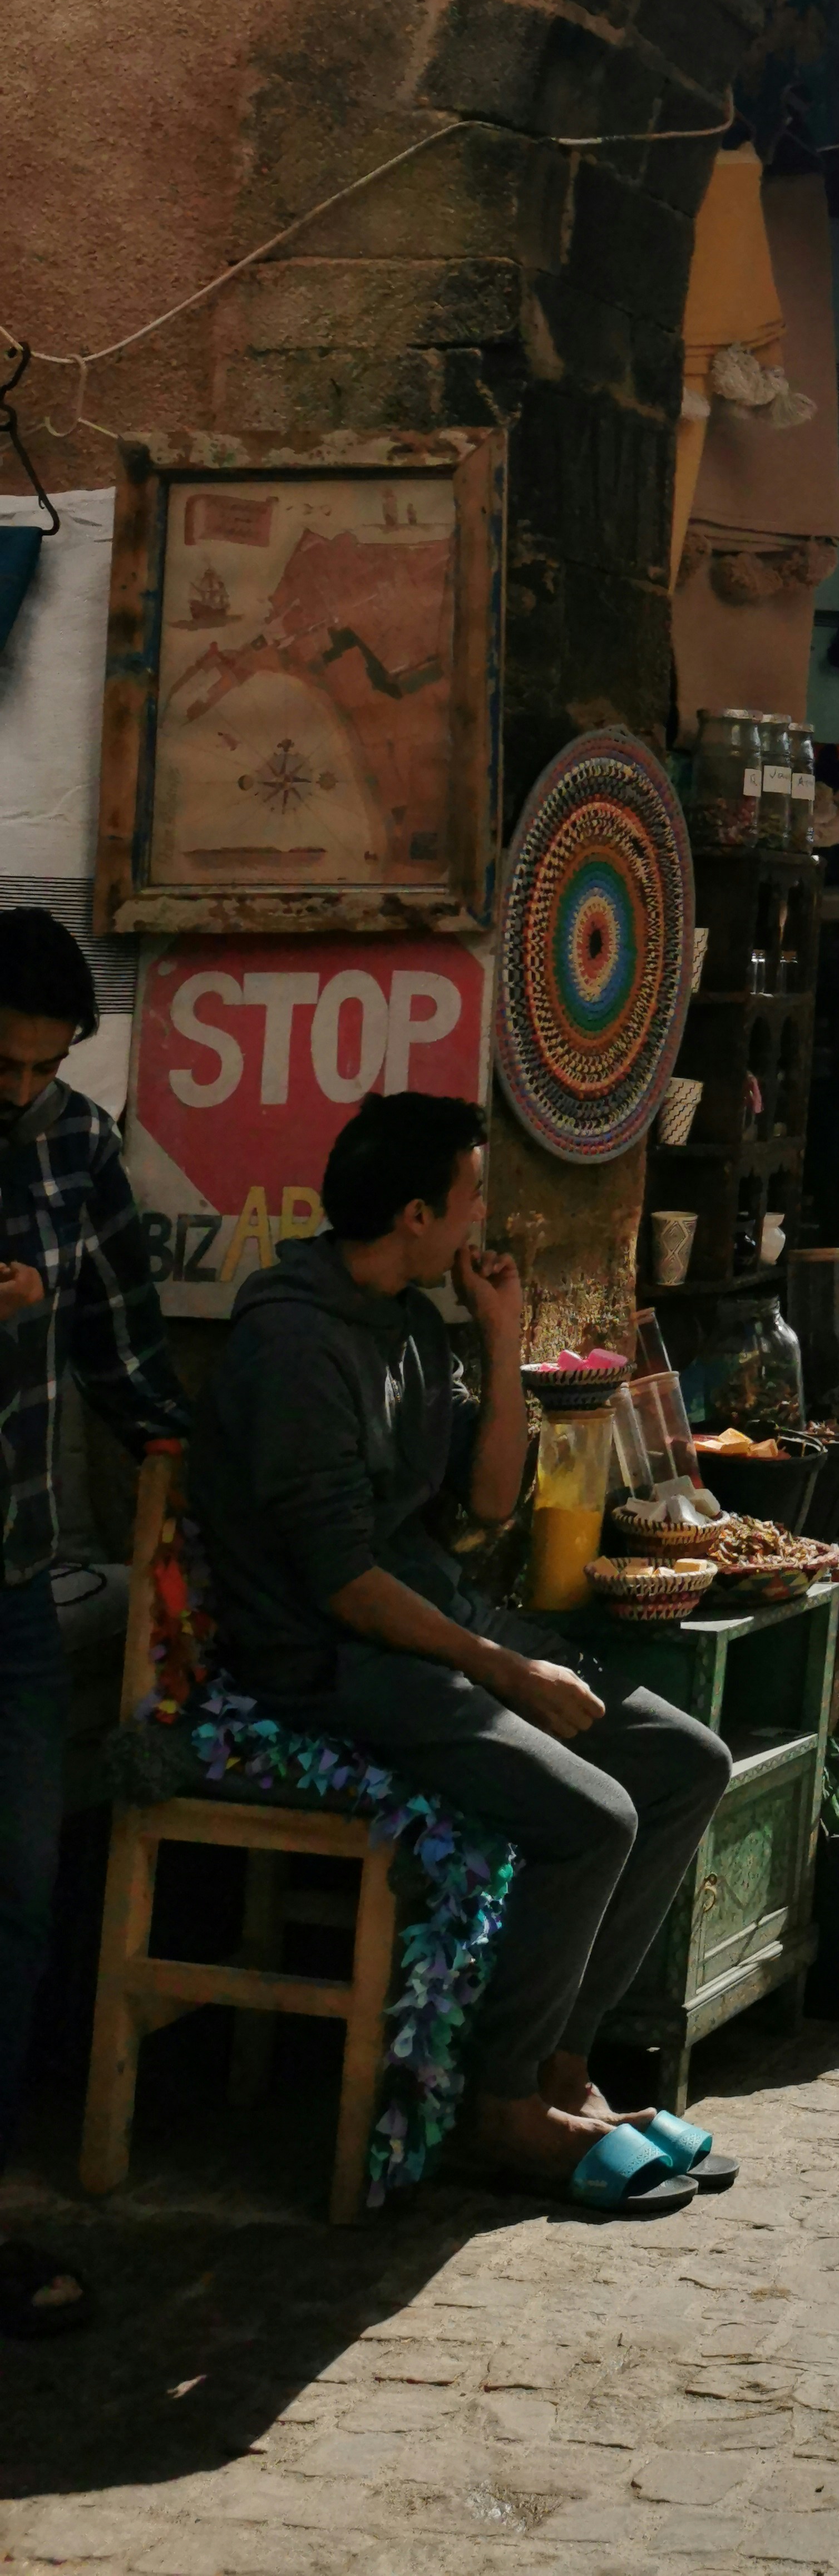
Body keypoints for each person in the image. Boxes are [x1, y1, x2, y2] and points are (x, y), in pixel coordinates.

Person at [189, 1091, 734, 2219]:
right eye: (475, 1195)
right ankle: (497, 2108)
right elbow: (343, 1583)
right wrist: (502, 1672)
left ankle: (558, 2070)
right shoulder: (293, 1341)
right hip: (328, 1662)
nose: (487, 1215)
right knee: (592, 1816)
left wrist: (498, 1337)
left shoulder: (403, 1319)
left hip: (436, 1625)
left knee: (685, 1764)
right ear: (419, 1212)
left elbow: (485, 1506)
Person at [0, 909, 187, 2345]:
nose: (17, 1090)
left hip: (15, 1579)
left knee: (17, 1903)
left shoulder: (74, 1145)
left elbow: (128, 1357)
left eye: (38, 1067)